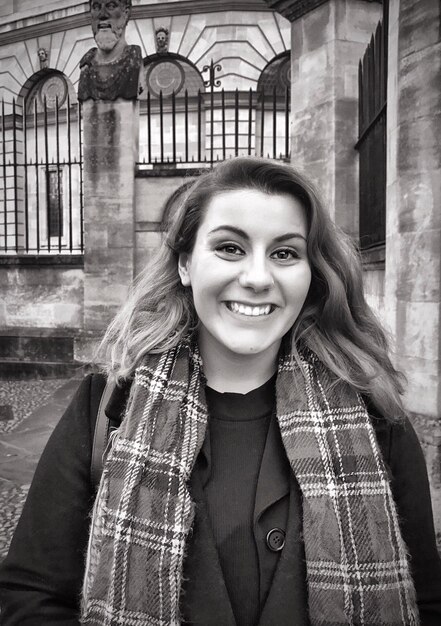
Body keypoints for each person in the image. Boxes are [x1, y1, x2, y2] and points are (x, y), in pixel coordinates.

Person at [1, 157, 440, 625]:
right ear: (186, 264)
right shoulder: (107, 407)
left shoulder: (376, 416)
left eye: (285, 253)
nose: (256, 278)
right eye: (230, 248)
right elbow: (30, 598)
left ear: (312, 273)